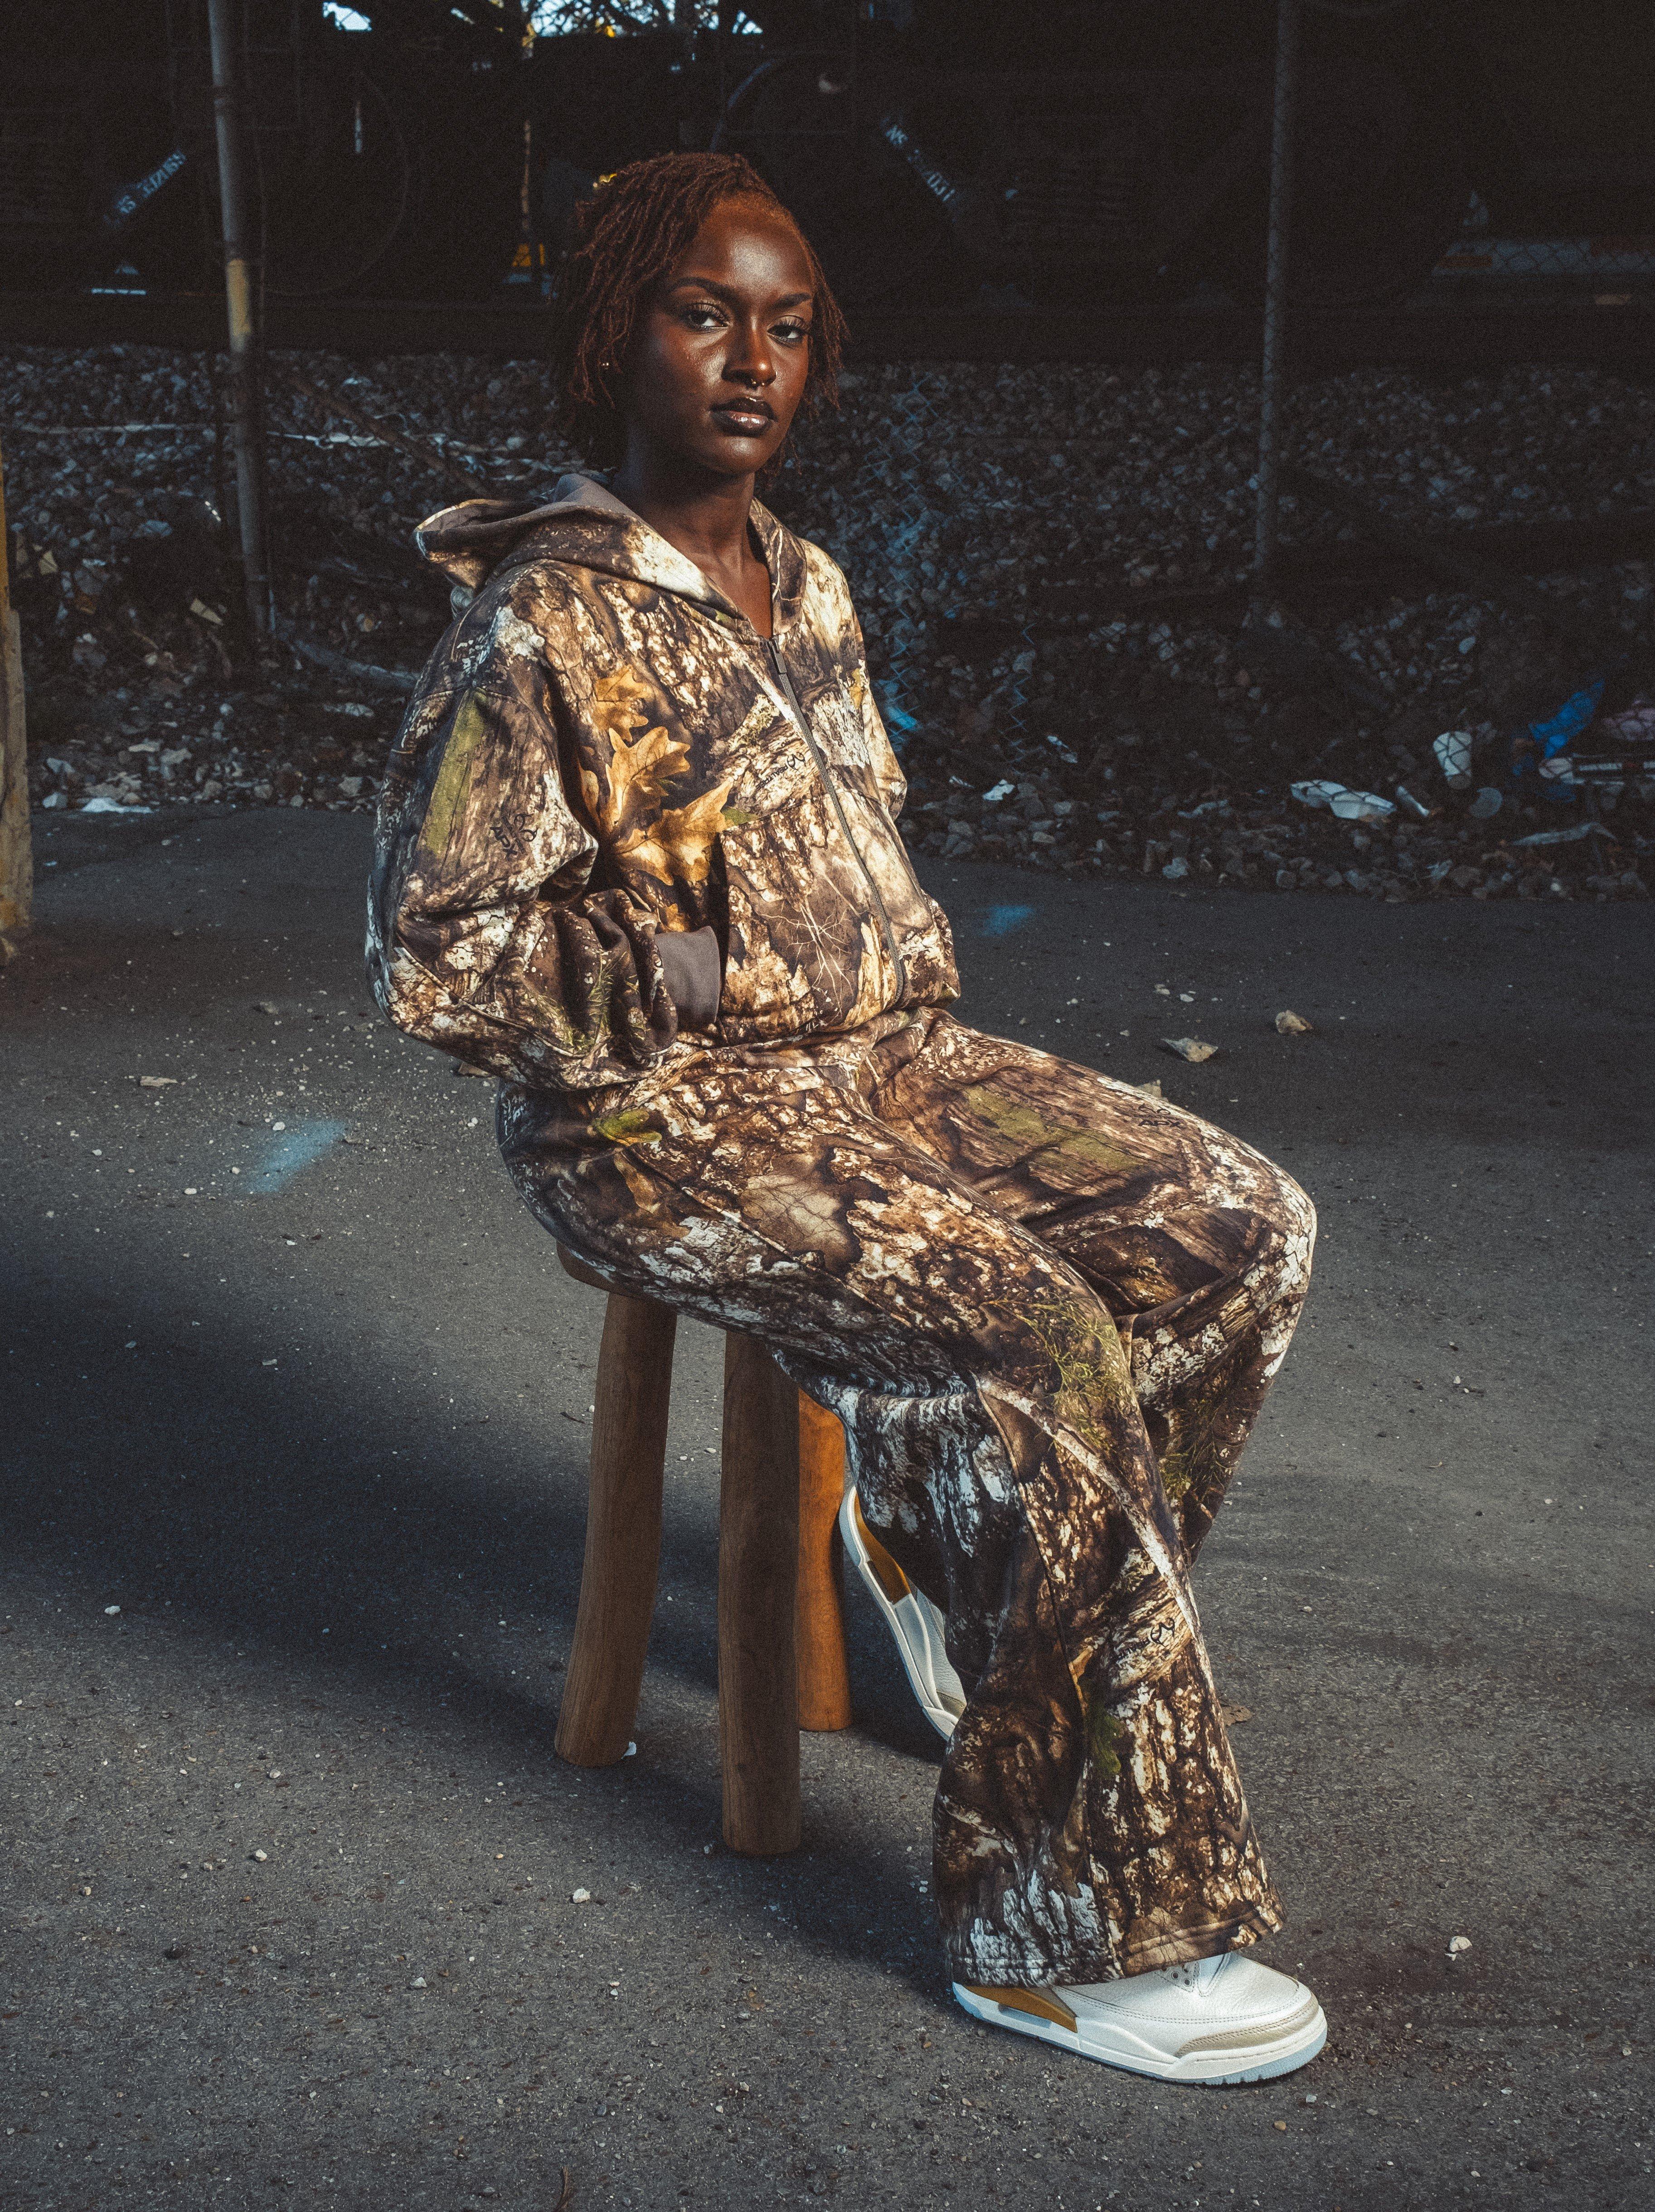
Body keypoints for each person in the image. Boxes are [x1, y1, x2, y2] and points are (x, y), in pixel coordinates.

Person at [368, 151, 1324, 2086]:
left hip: (881, 1065)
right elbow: (429, 960)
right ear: (611, 330)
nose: (750, 361)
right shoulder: (540, 621)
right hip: (659, 1124)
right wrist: (657, 983)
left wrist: (880, 1023)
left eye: (786, 326)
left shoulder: (803, 579)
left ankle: (979, 1593)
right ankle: (1063, 1928)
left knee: (1240, 1224)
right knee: (1029, 1328)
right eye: (703, 315)